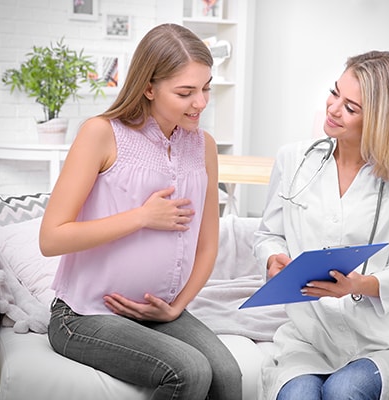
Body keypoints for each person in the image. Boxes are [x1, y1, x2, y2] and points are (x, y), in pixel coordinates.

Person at [39, 23, 242, 400]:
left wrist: (175, 308)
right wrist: (142, 217)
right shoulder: (101, 133)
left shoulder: (204, 147)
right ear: (149, 87)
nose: (201, 103)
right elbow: (51, 238)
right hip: (84, 315)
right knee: (190, 371)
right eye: (186, 92)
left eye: (206, 88)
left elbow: (207, 245)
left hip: (156, 312)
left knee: (228, 376)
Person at [254, 51, 389, 400]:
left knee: (344, 390)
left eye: (351, 108)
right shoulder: (294, 161)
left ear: (382, 120)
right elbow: (268, 234)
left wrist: (357, 284)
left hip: (381, 341)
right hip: (308, 337)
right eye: (335, 93)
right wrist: (274, 258)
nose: (333, 109)